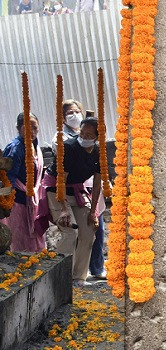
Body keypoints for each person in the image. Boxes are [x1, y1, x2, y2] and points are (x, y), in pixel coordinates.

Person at [43, 117, 101, 286]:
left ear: (97, 137)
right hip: (58, 191)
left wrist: (93, 212)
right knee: (70, 231)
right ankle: (59, 277)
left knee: (89, 230)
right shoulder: (69, 147)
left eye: (89, 134)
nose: (83, 137)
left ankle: (78, 277)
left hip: (77, 192)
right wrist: (63, 209)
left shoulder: (99, 152)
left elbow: (97, 183)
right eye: (82, 133)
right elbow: (61, 179)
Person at [2, 113, 47, 252]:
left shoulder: (35, 145)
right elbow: (8, 178)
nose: (32, 132)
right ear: (18, 128)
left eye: (35, 128)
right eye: (27, 128)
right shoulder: (15, 148)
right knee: (22, 240)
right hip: (18, 202)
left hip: (32, 200)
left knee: (35, 239)